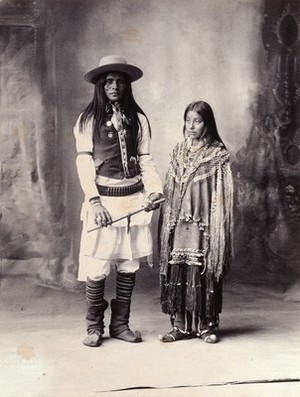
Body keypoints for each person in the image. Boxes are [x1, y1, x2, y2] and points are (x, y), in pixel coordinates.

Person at [73, 55, 163, 347]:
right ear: (100, 85)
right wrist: (94, 201)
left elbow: (146, 159)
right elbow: (84, 161)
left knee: (127, 264)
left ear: (127, 85)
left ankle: (121, 324)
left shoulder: (138, 119)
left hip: (132, 201)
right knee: (98, 267)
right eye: (108, 81)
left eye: (119, 81)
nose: (114, 86)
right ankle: (94, 326)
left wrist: (153, 191)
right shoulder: (88, 120)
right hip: (104, 202)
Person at [158, 101, 233, 343]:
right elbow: (171, 187)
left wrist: (215, 220)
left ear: (207, 123)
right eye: (188, 120)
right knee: (178, 265)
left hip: (204, 223)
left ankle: (205, 326)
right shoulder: (178, 152)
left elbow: (221, 194)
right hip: (179, 222)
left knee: (203, 269)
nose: (191, 126)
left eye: (197, 121)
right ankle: (180, 326)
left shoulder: (217, 154)